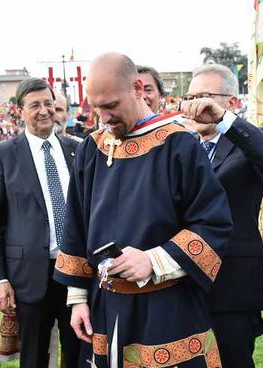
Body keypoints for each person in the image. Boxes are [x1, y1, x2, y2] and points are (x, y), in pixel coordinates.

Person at [53, 52, 233, 368]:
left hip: (167, 306)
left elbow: (212, 222)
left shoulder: (179, 144)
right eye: (97, 108)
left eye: (110, 106)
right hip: (104, 307)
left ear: (137, 88)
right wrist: (78, 299)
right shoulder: (92, 149)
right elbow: (76, 226)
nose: (104, 117)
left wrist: (152, 260)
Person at [181, 63, 263, 368]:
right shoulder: (181, 146)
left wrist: (224, 121)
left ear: (229, 102)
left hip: (231, 286)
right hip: (183, 282)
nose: (195, 105)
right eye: (190, 97)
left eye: (204, 96)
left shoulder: (249, 142)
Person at [0, 78, 82, 368]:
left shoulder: (76, 149)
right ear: (20, 111)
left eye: (48, 103)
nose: (43, 111)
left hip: (77, 271)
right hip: (31, 275)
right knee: (35, 356)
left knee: (78, 352)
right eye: (35, 105)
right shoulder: (4, 154)